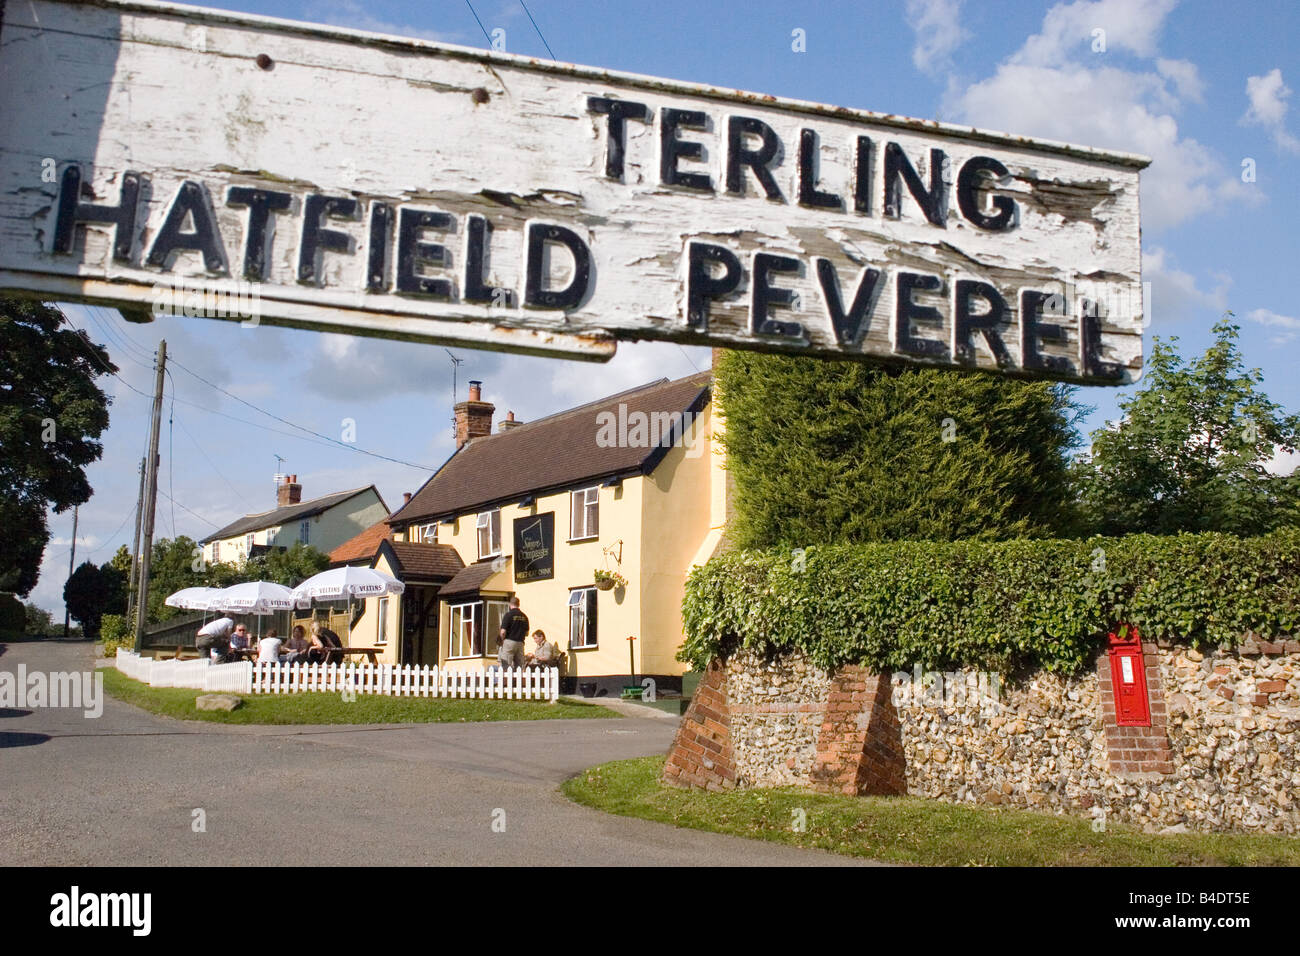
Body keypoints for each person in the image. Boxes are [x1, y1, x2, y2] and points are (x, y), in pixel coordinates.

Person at [497, 596, 529, 669]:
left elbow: (503, 632)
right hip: (520, 643)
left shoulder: (508, 615)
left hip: (509, 642)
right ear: (519, 604)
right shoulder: (524, 616)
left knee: (505, 666)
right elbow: (526, 633)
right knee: (519, 667)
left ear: (510, 604)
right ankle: (518, 680)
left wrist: (501, 640)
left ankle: (506, 681)